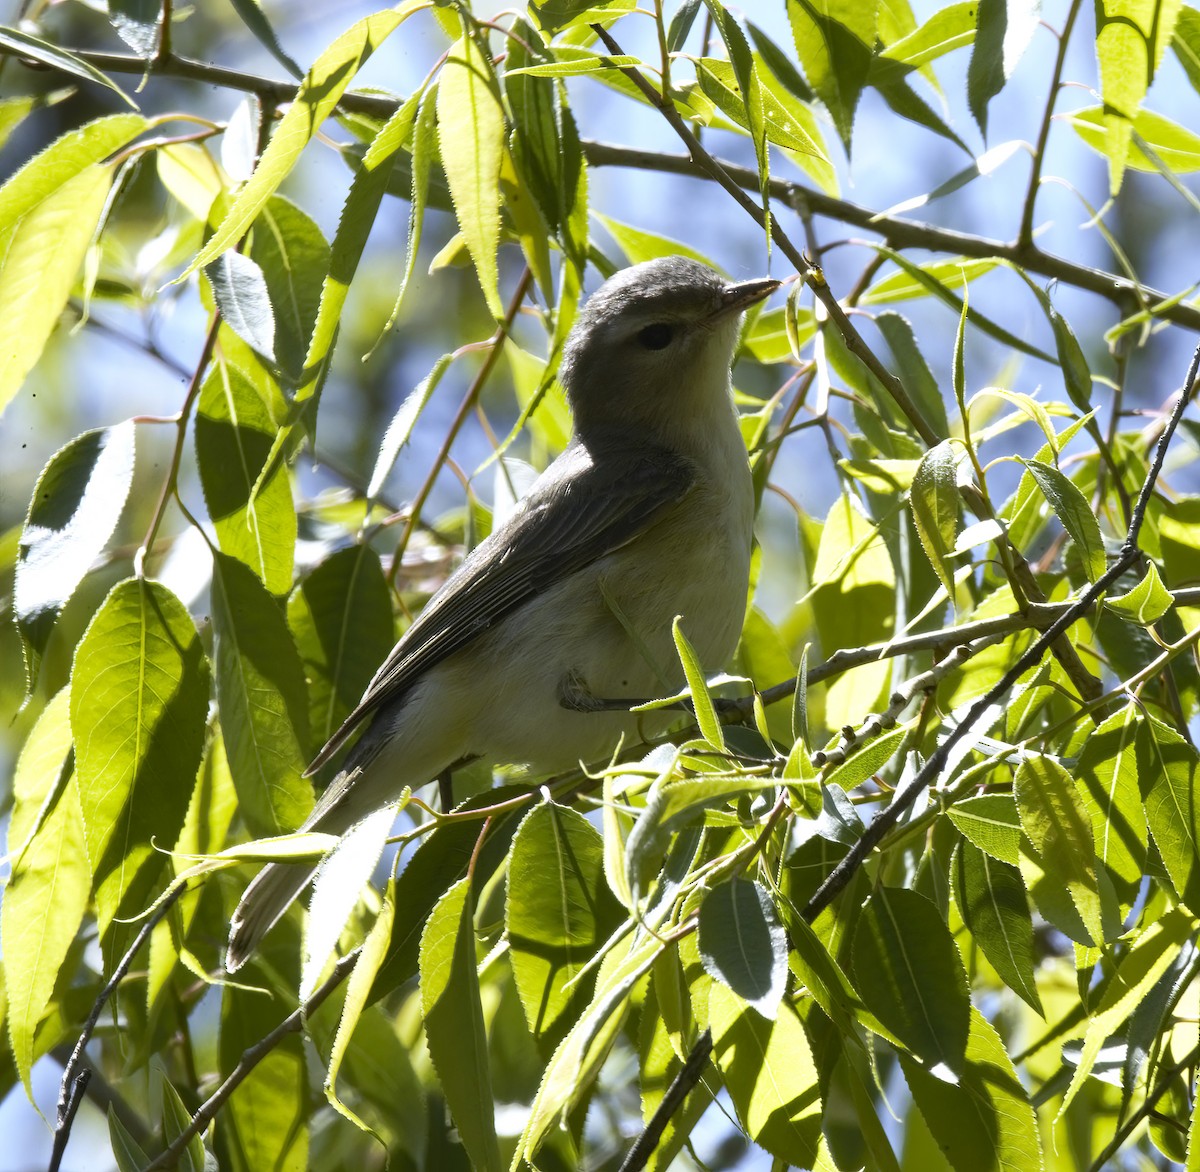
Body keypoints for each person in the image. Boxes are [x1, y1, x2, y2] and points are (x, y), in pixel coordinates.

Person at [226, 255, 779, 971]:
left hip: (515, 692)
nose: (711, 325)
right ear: (620, 375)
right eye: (660, 337)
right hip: (491, 667)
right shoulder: (650, 472)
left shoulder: (695, 463)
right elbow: (496, 591)